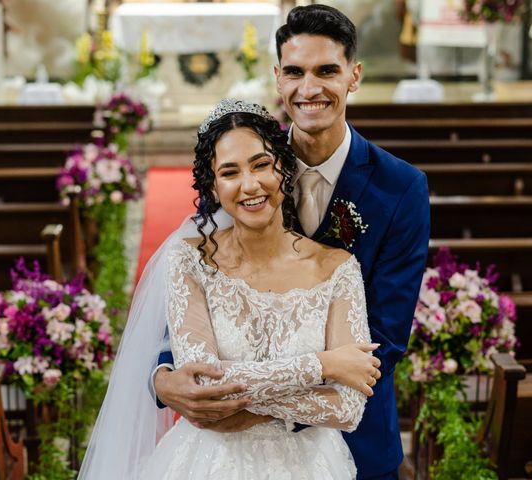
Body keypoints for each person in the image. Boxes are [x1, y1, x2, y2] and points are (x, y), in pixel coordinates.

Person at [154, 5, 430, 479]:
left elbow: (380, 342)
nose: (310, 89)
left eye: (327, 71)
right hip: (227, 452)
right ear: (278, 78)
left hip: (348, 442)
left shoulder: (400, 189)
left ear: (354, 76)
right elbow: (199, 281)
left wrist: (248, 412)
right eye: (296, 72)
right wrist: (162, 377)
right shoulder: (244, 163)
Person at [79, 99, 379, 478]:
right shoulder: (190, 262)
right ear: (214, 186)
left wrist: (243, 403)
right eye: (230, 172)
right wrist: (322, 365)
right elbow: (206, 384)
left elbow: (347, 408)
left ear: (283, 168)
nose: (250, 185)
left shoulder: (337, 268)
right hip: (209, 463)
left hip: (311, 465)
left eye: (261, 164)